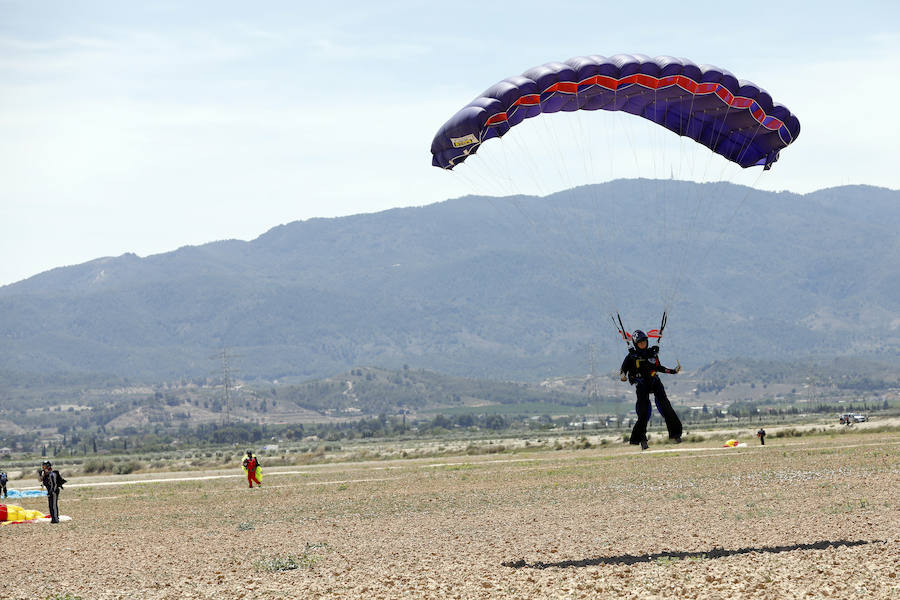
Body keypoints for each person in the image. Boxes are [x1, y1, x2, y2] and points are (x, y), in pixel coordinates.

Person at [619, 329, 683, 450]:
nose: (643, 344)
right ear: (635, 344)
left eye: (644, 341)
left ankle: (675, 435)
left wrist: (672, 371)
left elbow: (659, 367)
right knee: (643, 412)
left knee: (666, 406)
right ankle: (642, 440)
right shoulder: (631, 356)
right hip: (641, 385)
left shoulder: (652, 353)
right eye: (640, 342)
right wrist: (622, 376)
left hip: (655, 382)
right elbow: (623, 370)